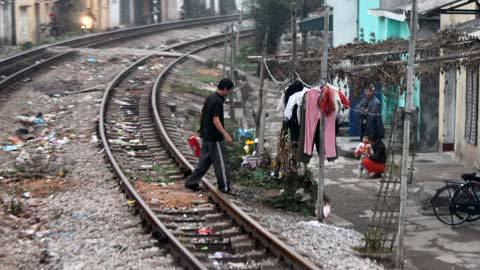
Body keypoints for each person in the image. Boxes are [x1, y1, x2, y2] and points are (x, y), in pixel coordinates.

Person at [185, 78, 234, 194]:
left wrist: (201, 129)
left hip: (206, 136)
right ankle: (225, 187)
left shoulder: (210, 97)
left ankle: (191, 182)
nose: (229, 93)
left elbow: (202, 114)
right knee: (222, 163)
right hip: (215, 138)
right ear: (225, 89)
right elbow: (216, 120)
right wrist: (225, 135)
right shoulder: (218, 101)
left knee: (204, 162)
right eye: (230, 91)